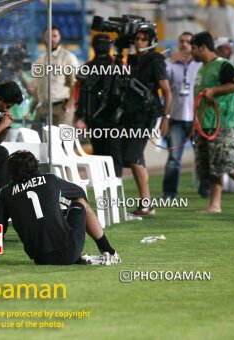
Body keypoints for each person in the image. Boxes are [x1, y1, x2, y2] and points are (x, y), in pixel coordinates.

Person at [0, 151, 120, 266]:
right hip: (70, 250)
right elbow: (79, 192)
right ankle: (109, 250)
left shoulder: (5, 192)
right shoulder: (50, 179)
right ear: (35, 166)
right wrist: (68, 213)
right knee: (81, 202)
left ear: (11, 171)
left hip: (41, 259)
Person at [190, 31, 234, 212]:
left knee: (228, 164)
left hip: (223, 124)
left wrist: (214, 90)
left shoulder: (223, 65)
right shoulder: (204, 67)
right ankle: (215, 205)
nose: (192, 52)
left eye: (194, 48)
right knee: (214, 166)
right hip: (206, 124)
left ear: (203, 47)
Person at [120, 27, 172, 215]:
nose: (138, 42)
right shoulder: (133, 60)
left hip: (146, 115)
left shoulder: (156, 60)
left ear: (151, 41)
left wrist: (166, 117)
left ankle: (146, 203)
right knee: (136, 159)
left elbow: (166, 90)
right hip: (131, 114)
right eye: (137, 39)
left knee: (133, 157)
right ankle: (145, 202)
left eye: (143, 39)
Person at [162, 32, 208, 199]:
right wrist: (170, 60)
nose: (184, 44)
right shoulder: (172, 65)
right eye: (181, 41)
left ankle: (206, 189)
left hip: (197, 119)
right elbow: (162, 80)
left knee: (202, 156)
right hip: (176, 118)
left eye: (188, 42)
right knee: (174, 158)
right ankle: (169, 193)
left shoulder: (201, 65)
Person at [75, 34, 123, 177]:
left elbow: (81, 94)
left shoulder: (116, 65)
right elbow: (82, 93)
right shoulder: (117, 65)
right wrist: (81, 117)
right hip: (107, 119)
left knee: (104, 154)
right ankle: (110, 186)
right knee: (109, 154)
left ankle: (109, 187)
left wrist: (81, 117)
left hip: (104, 118)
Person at [30, 26, 79, 130]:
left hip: (61, 108)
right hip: (43, 108)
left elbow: (75, 84)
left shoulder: (68, 57)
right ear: (43, 38)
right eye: (48, 36)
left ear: (60, 37)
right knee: (35, 141)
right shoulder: (40, 60)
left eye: (55, 36)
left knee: (60, 144)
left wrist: (67, 107)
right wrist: (31, 109)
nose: (52, 39)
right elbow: (36, 88)